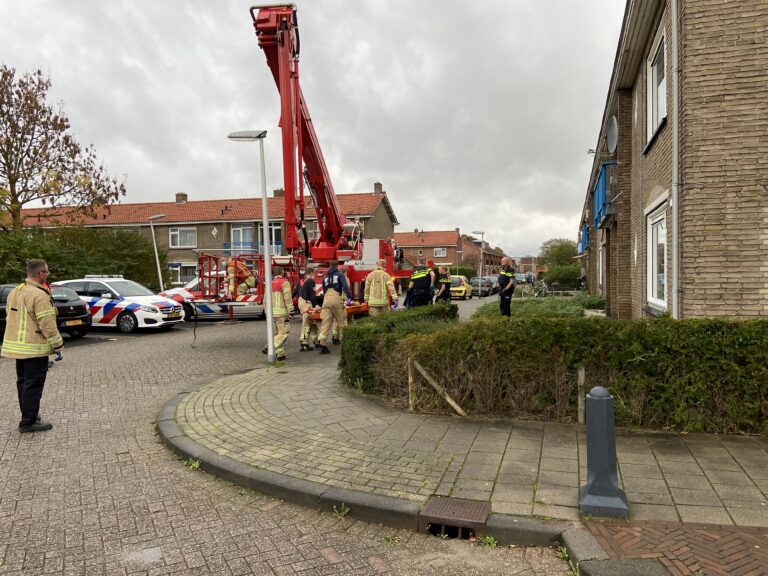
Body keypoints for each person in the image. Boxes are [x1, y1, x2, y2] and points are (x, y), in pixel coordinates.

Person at [1, 259, 64, 433]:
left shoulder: (15, 291)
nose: (48, 275)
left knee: (23, 383)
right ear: (41, 274)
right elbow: (47, 324)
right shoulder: (39, 295)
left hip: (18, 348)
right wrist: (58, 346)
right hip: (34, 348)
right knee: (33, 384)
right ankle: (28, 422)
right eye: (47, 272)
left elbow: (10, 316)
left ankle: (30, 415)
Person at [317, 261, 352, 354]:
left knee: (325, 322)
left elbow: (324, 291)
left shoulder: (325, 277)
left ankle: (322, 345)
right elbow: (345, 287)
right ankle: (347, 344)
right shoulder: (340, 275)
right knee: (341, 321)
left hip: (326, 300)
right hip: (336, 298)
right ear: (337, 267)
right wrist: (349, 297)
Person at [263, 266, 292, 361]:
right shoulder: (284, 282)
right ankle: (270, 346)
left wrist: (266, 311)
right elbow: (287, 297)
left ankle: (280, 355)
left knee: (276, 334)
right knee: (284, 332)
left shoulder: (269, 283)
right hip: (281, 313)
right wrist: (291, 310)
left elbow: (265, 299)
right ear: (282, 272)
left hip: (270, 314)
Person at [297, 269, 319, 351]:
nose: (314, 276)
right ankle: (304, 343)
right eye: (313, 274)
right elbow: (312, 295)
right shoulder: (311, 281)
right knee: (306, 324)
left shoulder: (302, 281)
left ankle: (316, 341)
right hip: (307, 304)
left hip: (301, 303)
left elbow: (295, 292)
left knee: (312, 323)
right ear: (311, 273)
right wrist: (316, 304)